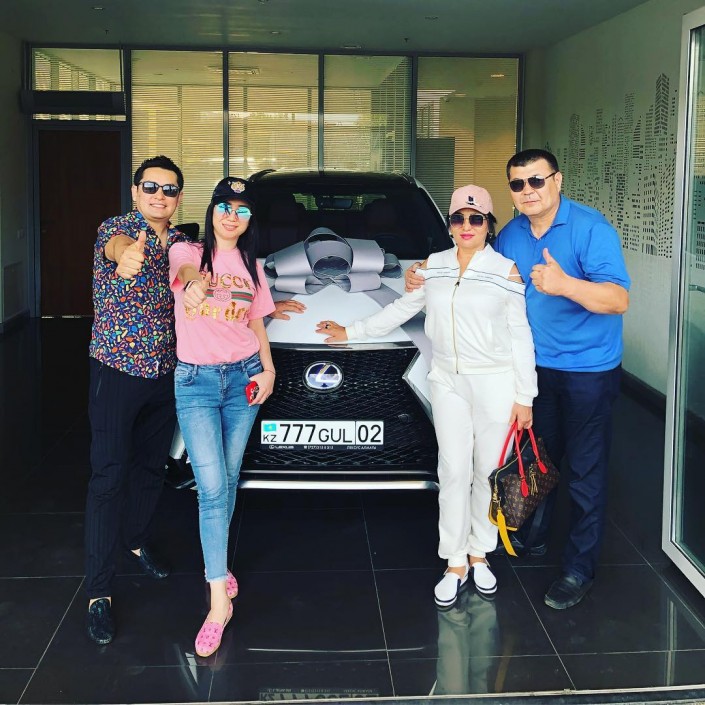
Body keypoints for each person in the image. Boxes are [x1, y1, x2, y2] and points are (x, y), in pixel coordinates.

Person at [408, 149, 630, 610]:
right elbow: (475, 271)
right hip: (530, 371)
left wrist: (565, 284)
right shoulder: (511, 235)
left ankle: (578, 568)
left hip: (588, 371)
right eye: (517, 184)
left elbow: (618, 300)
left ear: (557, 180)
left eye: (536, 181)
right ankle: (532, 536)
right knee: (533, 462)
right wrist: (422, 274)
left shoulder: (591, 229)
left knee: (584, 473)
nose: (528, 191)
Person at [317, 185, 537, 607]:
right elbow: (402, 309)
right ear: (450, 225)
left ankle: (480, 553)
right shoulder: (432, 266)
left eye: (476, 219)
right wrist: (352, 331)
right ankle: (454, 561)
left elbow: (520, 334)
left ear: (488, 225)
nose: (467, 226)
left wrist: (525, 395)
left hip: (495, 382)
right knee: (452, 470)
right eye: (459, 218)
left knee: (487, 471)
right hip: (447, 380)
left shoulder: (505, 270)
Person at [169, 177, 275, 658]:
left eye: (242, 210)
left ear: (250, 219)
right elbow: (186, 271)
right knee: (211, 488)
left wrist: (269, 370)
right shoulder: (187, 250)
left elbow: (256, 321)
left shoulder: (253, 266)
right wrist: (194, 284)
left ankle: (219, 567)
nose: (232, 216)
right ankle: (218, 603)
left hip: (244, 378)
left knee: (227, 480)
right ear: (211, 210)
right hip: (196, 381)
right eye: (225, 206)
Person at [86, 155, 187, 645]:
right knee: (109, 476)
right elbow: (117, 248)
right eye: (150, 187)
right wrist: (127, 256)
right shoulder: (117, 229)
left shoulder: (182, 242)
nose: (159, 196)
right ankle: (98, 592)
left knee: (150, 468)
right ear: (134, 191)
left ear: (178, 198)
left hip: (164, 374)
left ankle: (135, 541)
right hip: (116, 371)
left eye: (168, 189)